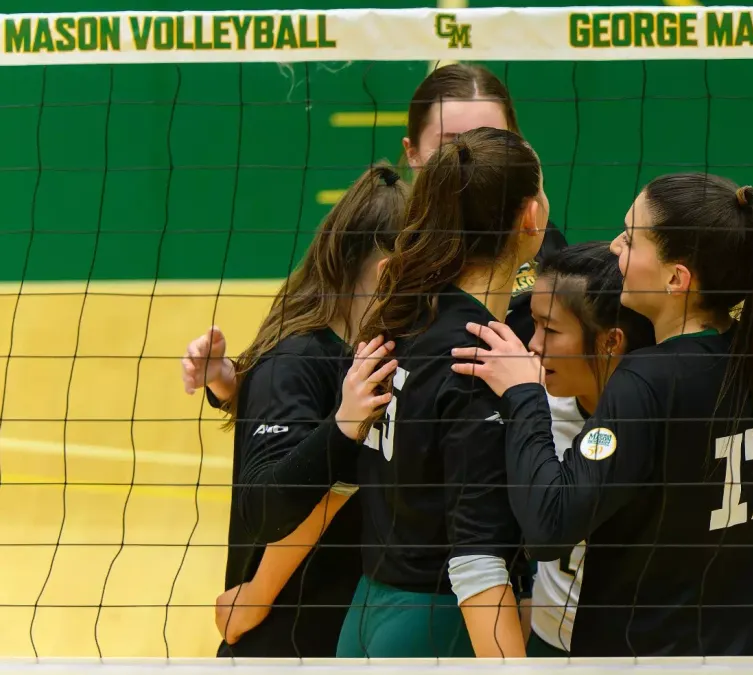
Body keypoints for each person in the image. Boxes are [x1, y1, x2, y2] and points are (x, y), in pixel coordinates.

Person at [451, 173, 753, 657]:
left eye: (631, 238)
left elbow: (548, 524)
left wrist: (523, 396)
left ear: (676, 279)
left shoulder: (647, 382)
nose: (616, 248)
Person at [178, 165, 410, 657]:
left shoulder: (374, 352)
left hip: (346, 629)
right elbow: (265, 509)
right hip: (283, 644)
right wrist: (344, 428)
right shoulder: (296, 359)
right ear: (389, 271)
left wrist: (230, 385)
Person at [334, 126, 547, 659]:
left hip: (367, 615)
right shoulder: (478, 359)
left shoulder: (407, 321)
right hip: (436, 627)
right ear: (530, 216)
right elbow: (475, 556)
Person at [518, 242, 656, 657]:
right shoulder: (534, 408)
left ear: (610, 342)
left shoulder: (663, 419)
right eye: (534, 325)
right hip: (547, 644)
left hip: (634, 651)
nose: (532, 345)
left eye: (550, 329)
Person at [403, 63, 568, 344]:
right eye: (452, 144)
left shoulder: (538, 236)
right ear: (413, 153)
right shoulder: (386, 246)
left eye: (493, 139)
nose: (473, 158)